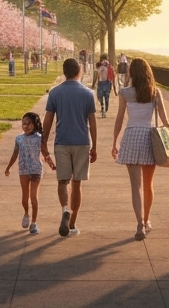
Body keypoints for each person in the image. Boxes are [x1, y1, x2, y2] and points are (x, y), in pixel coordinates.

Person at [111, 58, 169, 240]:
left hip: (131, 137)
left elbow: (120, 119)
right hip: (148, 137)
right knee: (148, 184)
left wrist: (115, 141)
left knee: (135, 186)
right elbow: (165, 120)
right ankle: (147, 220)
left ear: (132, 73)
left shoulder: (124, 93)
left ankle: (139, 224)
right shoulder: (155, 93)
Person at [41, 57, 98, 237]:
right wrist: (94, 145)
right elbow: (92, 122)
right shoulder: (88, 94)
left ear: (64, 72)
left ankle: (65, 209)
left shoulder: (55, 93)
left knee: (62, 181)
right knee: (77, 183)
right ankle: (72, 224)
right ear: (79, 71)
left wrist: (43, 143)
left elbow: (48, 119)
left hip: (62, 142)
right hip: (81, 142)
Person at [6, 112, 46, 234]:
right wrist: (8, 167)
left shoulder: (40, 138)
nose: (26, 126)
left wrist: (51, 163)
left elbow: (45, 153)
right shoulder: (19, 139)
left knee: (33, 197)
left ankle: (34, 223)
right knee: (25, 196)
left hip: (36, 170)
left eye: (29, 124)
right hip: (23, 170)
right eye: (24, 123)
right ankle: (26, 214)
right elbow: (15, 154)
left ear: (34, 124)